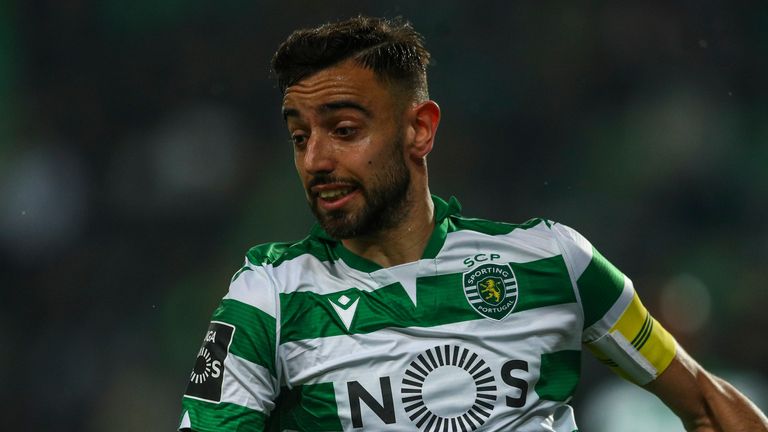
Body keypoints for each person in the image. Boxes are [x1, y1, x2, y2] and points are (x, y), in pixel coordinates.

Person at [178, 16, 768, 432]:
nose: (316, 160)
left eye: (345, 130)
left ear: (420, 129)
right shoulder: (267, 299)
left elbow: (708, 408)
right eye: (299, 137)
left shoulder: (555, 263)